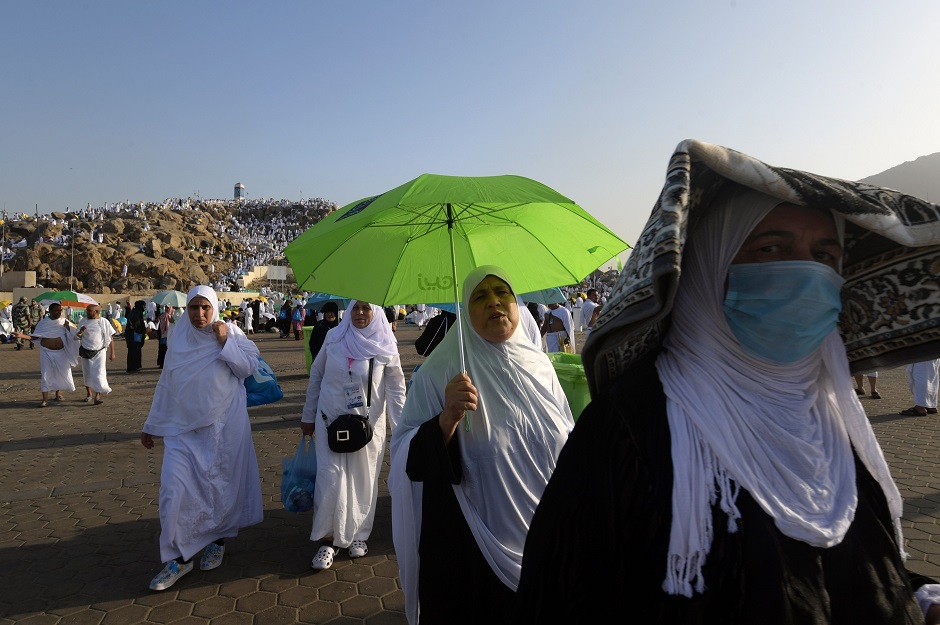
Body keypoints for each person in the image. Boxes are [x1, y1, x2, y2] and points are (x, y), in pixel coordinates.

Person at [514, 140, 940, 624]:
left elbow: (849, 574)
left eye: (825, 254)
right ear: (710, 263)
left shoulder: (832, 417)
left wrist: (917, 599)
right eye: (772, 248)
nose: (805, 272)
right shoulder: (628, 431)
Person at [390, 266, 574, 624]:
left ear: (516, 302)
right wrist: (445, 421)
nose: (494, 302)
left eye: (502, 292)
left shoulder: (540, 365)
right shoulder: (440, 373)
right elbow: (404, 456)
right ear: (465, 309)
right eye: (480, 296)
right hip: (479, 550)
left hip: (551, 543)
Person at [141, 286, 263, 591]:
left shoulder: (231, 332)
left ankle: (217, 541)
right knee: (174, 490)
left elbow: (248, 368)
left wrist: (225, 343)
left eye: (205, 308)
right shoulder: (179, 338)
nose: (200, 314)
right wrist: (152, 423)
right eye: (194, 308)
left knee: (218, 487)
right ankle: (178, 559)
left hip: (224, 427)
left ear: (215, 308)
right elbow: (167, 384)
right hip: (183, 430)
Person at [300, 300, 406, 571]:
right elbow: (316, 375)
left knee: (364, 479)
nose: (360, 313)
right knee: (330, 478)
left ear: (376, 312)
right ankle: (327, 539)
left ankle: (359, 534)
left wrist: (402, 428)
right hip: (329, 422)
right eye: (356, 308)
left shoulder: (385, 343)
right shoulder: (335, 338)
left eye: (366, 308)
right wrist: (307, 416)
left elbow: (396, 388)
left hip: (367, 427)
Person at [13, 302, 79, 407]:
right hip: (46, 352)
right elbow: (35, 337)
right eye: (56, 310)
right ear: (50, 311)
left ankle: (58, 393)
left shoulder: (64, 322)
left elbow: (76, 336)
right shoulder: (43, 323)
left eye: (60, 310)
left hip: (61, 352)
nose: (59, 312)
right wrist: (21, 335)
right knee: (46, 374)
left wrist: (68, 328)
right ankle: (45, 400)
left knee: (61, 373)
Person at [76, 304, 116, 404]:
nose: (87, 313)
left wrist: (112, 353)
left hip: (100, 352)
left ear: (96, 312)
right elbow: (76, 336)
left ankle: (97, 396)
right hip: (86, 351)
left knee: (99, 374)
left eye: (89, 311)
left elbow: (110, 338)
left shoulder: (104, 322)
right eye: (87, 311)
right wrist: (80, 331)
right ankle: (89, 394)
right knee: (87, 374)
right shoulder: (83, 321)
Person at [125, 300, 147, 373]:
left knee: (132, 351)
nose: (144, 307)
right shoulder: (137, 313)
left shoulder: (134, 312)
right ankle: (133, 367)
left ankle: (133, 367)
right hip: (135, 335)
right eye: (143, 306)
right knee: (135, 351)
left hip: (132, 335)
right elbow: (136, 324)